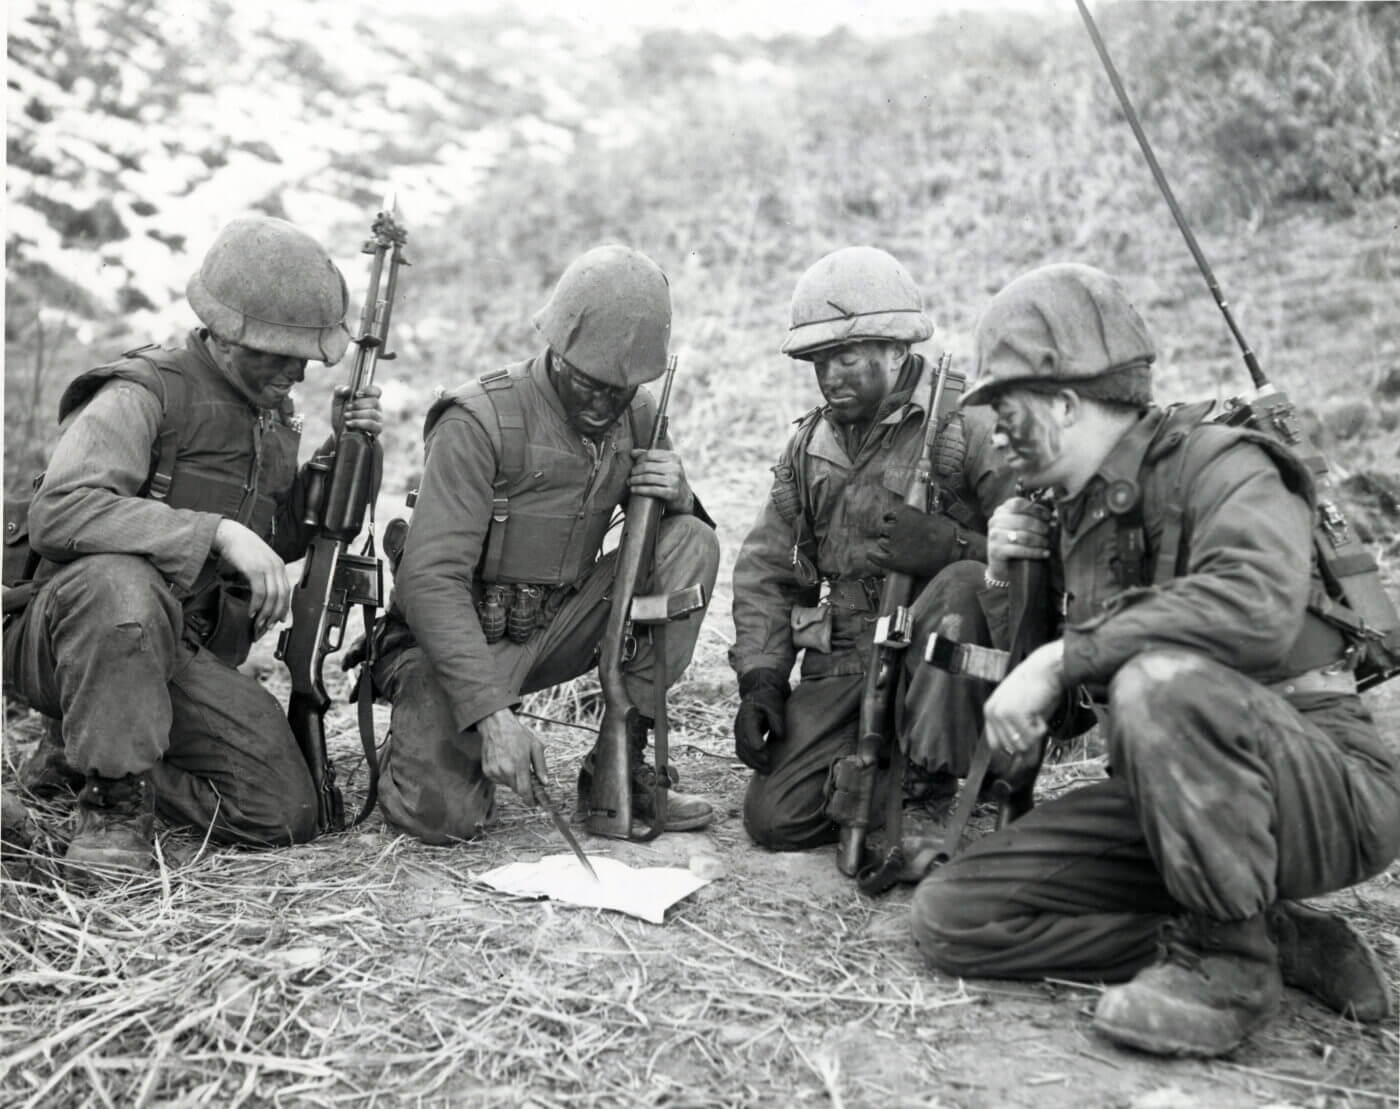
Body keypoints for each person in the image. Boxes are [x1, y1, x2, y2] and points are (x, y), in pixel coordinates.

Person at [911, 262, 1400, 1056]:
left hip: (1324, 787)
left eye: (1009, 409)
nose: (996, 434)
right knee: (952, 917)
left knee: (1155, 680)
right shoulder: (1065, 516)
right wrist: (1008, 587)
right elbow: (1066, 714)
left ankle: (1230, 970)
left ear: (1066, 402)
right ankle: (1261, 929)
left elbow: (1257, 609)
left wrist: (1070, 654)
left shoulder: (1223, 464)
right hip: (1169, 801)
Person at [3, 215, 384, 882]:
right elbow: (60, 511)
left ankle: (88, 753)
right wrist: (214, 532)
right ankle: (112, 808)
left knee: (283, 812)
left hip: (173, 648)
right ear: (230, 335)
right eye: (282, 350)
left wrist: (341, 457)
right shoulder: (142, 392)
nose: (300, 369)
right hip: (72, 635)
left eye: (307, 353)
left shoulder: (270, 414)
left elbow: (274, 539)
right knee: (122, 584)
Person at [369, 244, 720, 844]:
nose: (602, 403)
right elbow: (429, 581)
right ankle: (417, 738)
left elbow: (670, 538)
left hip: (562, 623)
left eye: (621, 387)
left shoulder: (635, 414)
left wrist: (680, 497)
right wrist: (490, 715)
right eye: (589, 381)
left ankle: (619, 764)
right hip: (461, 640)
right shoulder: (477, 422)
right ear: (555, 344)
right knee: (442, 819)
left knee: (691, 542)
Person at [729, 246, 1015, 853]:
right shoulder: (811, 446)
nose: (831, 376)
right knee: (775, 819)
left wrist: (954, 546)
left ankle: (942, 766)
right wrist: (761, 679)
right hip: (849, 661)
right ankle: (894, 769)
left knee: (963, 585)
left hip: (946, 660)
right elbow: (767, 570)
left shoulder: (968, 427)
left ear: (896, 349)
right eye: (819, 361)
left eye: (848, 357)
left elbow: (1042, 564)